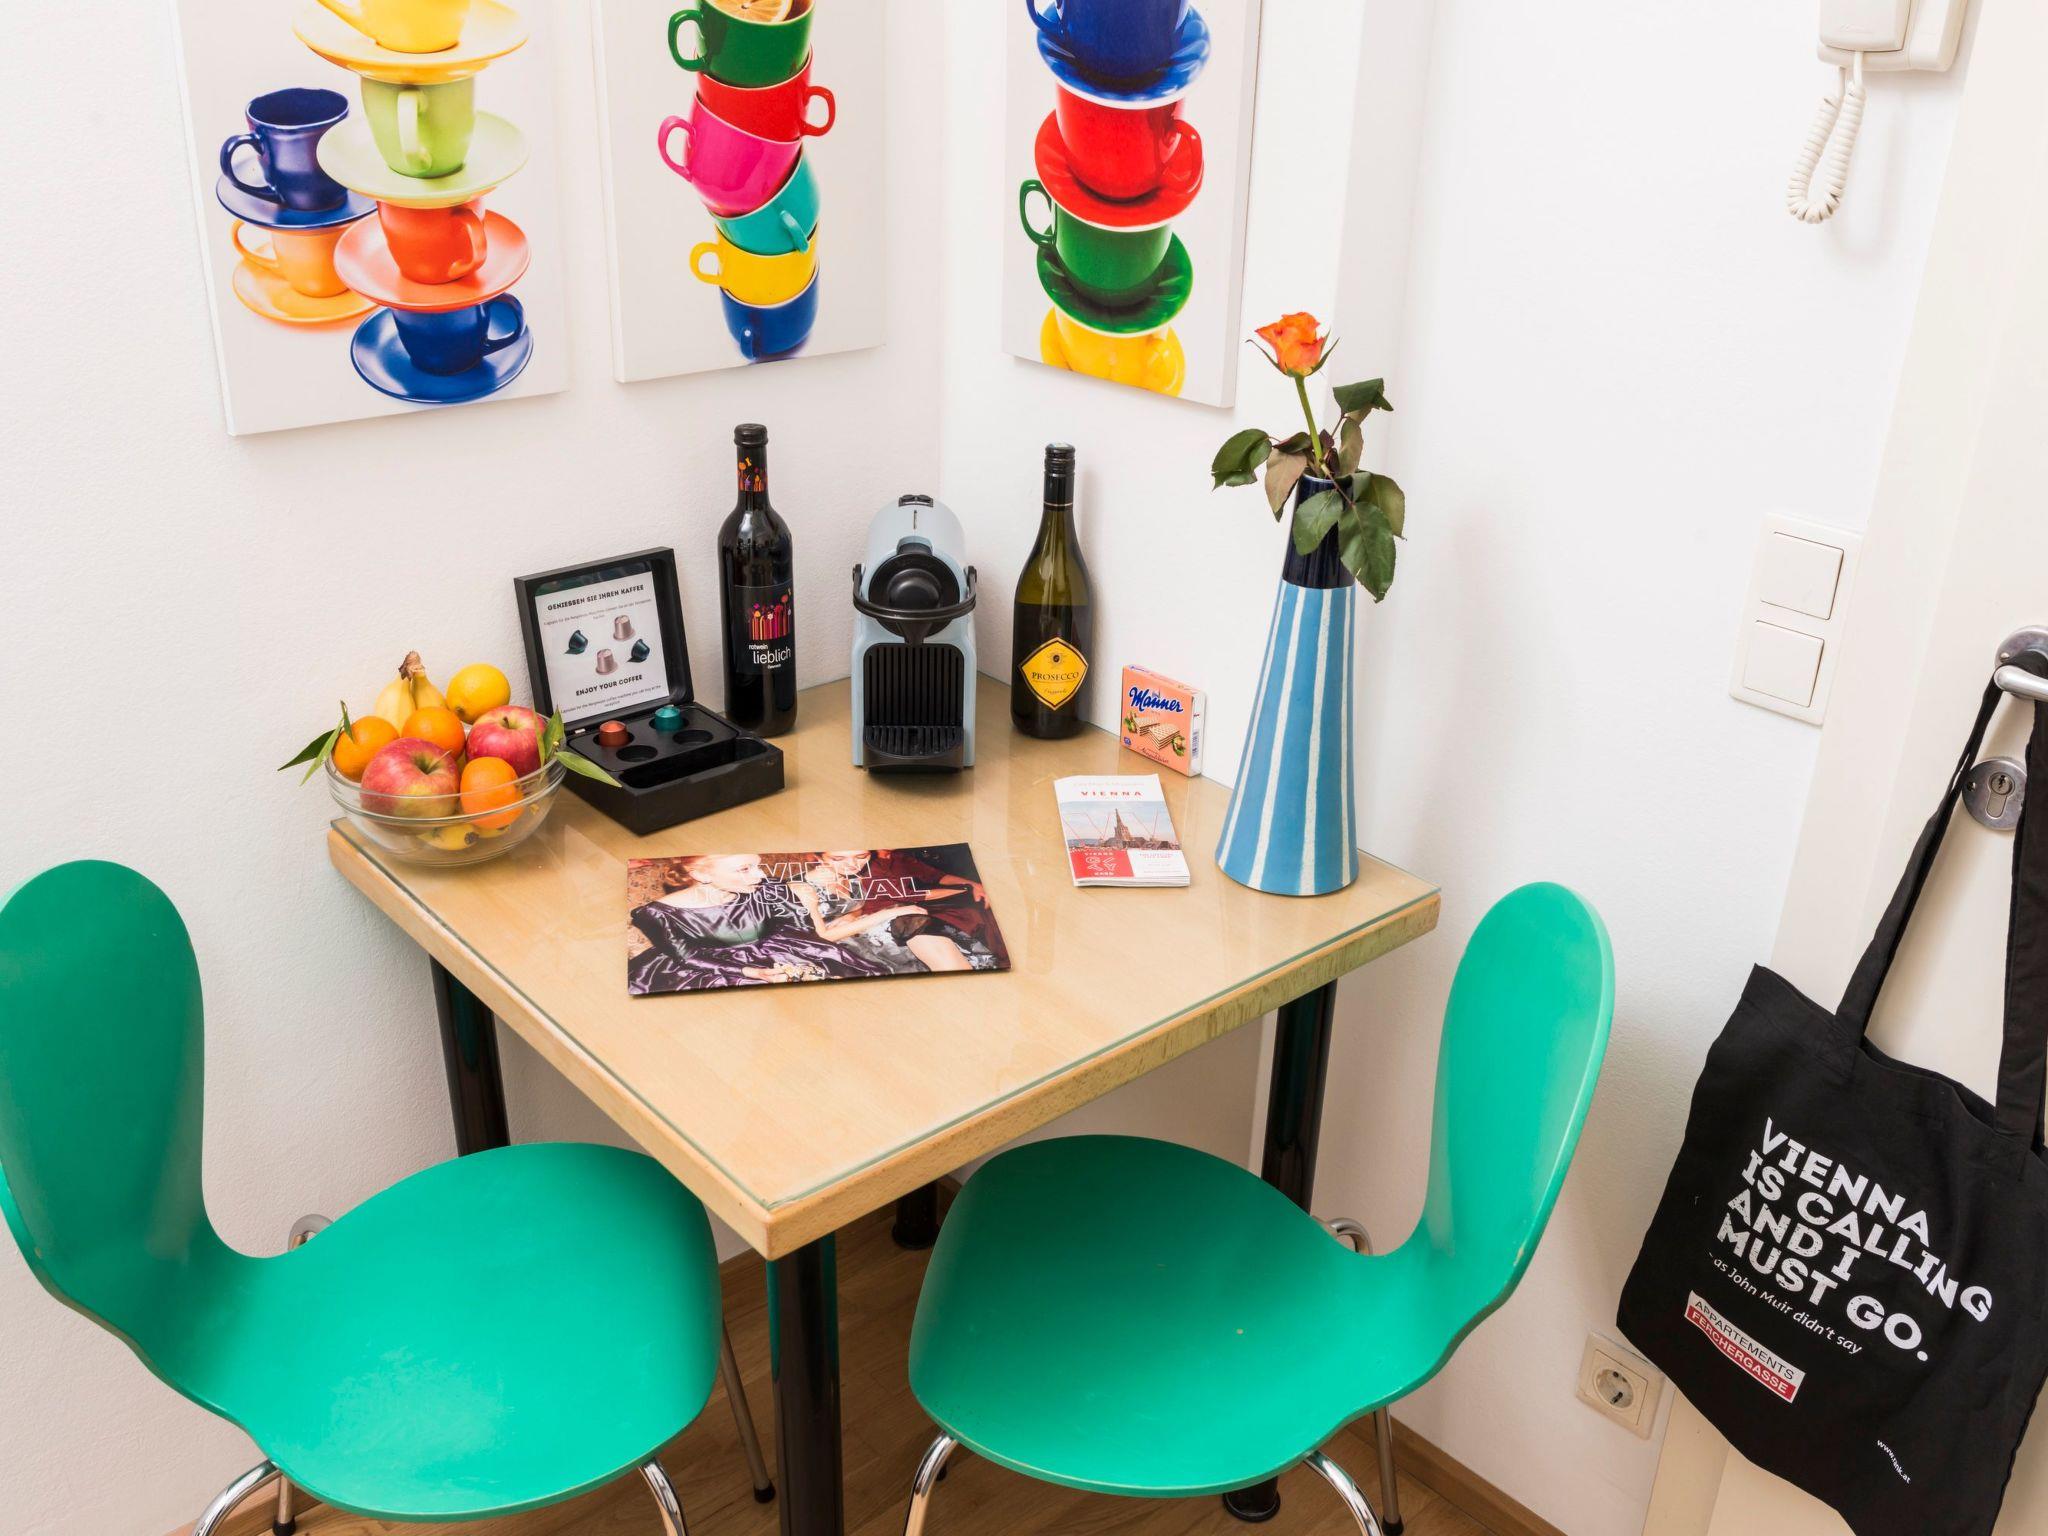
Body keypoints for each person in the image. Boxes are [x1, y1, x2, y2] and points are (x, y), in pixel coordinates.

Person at [628, 853, 886, 994]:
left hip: (778, 948)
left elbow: (800, 927)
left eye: (758, 866)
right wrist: (751, 972)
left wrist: (805, 898)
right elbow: (689, 957)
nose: (761, 875)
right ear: (701, 875)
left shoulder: (767, 887)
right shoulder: (656, 914)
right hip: (711, 966)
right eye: (744, 869)